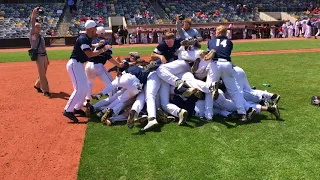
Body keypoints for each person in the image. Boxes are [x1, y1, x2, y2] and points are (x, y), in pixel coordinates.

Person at [63, 20, 121, 123]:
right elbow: (89, 54)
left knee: (85, 87)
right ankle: (68, 110)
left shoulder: (87, 38)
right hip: (74, 64)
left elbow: (88, 47)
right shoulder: (84, 38)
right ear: (90, 29)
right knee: (79, 88)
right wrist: (103, 49)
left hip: (79, 64)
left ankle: (77, 108)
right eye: (94, 29)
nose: (95, 31)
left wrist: (97, 44)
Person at [205, 25, 255, 122]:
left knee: (209, 88)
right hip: (227, 64)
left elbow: (210, 53)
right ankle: (242, 113)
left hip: (215, 64)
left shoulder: (211, 41)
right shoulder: (229, 42)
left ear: (218, 32)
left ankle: (208, 115)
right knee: (234, 90)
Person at [30, 7, 51, 97]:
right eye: (37, 27)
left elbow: (44, 48)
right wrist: (34, 12)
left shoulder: (41, 36)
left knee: (43, 73)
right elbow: (32, 22)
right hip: (38, 57)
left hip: (44, 56)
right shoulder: (33, 36)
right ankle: (46, 91)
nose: (39, 28)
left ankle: (37, 85)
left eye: (39, 27)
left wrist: (47, 58)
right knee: (42, 74)